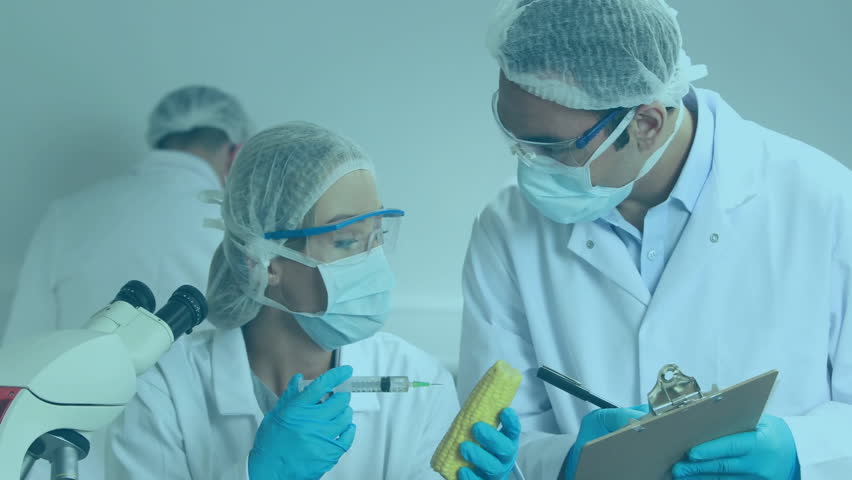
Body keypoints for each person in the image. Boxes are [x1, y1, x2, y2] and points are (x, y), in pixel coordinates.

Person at [458, 1, 852, 479]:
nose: (528, 163)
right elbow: (496, 435)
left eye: (550, 147)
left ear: (645, 124)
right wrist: (565, 462)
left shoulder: (827, 203)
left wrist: (801, 453)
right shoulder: (506, 225)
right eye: (515, 136)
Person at [106, 122, 522, 479]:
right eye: (345, 240)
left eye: (376, 236)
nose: (372, 263)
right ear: (265, 261)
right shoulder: (167, 389)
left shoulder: (420, 380)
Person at [4, 84, 252, 480]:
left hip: (66, 464)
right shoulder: (240, 229)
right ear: (235, 153)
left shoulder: (67, 216)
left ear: (159, 139)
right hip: (192, 459)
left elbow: (19, 352)